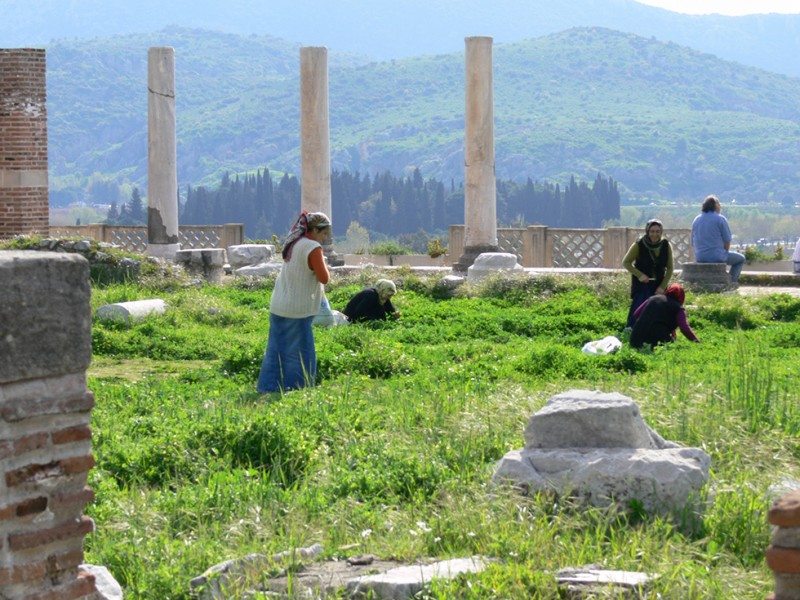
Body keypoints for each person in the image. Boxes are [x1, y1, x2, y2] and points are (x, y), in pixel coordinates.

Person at [257, 211, 331, 393]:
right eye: (323, 233)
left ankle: (269, 387)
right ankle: (297, 387)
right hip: (298, 309)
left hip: (279, 304)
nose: (325, 238)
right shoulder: (313, 247)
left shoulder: (294, 243)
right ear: (314, 230)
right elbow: (324, 278)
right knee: (301, 353)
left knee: (276, 349)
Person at [622, 219, 673, 327]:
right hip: (642, 283)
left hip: (658, 283)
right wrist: (639, 275)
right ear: (647, 231)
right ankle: (632, 329)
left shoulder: (666, 245)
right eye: (652, 231)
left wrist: (662, 287)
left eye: (657, 231)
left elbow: (670, 268)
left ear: (661, 232)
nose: (655, 234)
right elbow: (626, 262)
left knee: (657, 309)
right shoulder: (639, 244)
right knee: (639, 307)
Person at [691, 195, 745, 284]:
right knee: (740, 259)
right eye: (719, 204)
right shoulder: (720, 219)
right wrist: (724, 253)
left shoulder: (696, 220)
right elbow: (727, 240)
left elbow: (692, 242)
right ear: (715, 205)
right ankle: (731, 282)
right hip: (717, 256)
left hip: (700, 257)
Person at [629, 283, 699, 349]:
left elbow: (636, 314)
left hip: (635, 340)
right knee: (672, 346)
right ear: (682, 296)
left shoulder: (653, 299)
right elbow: (684, 328)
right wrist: (696, 341)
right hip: (656, 342)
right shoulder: (678, 308)